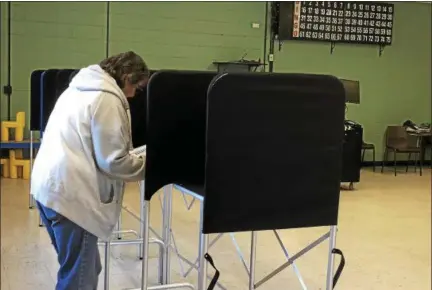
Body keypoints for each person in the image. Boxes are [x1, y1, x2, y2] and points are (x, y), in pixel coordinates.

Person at [31, 51, 149, 290]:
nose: (135, 94)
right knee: (79, 279)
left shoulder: (79, 88)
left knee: (85, 267)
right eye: (136, 86)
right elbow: (113, 162)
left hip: (50, 189)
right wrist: (152, 164)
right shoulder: (107, 99)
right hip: (73, 199)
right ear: (127, 77)